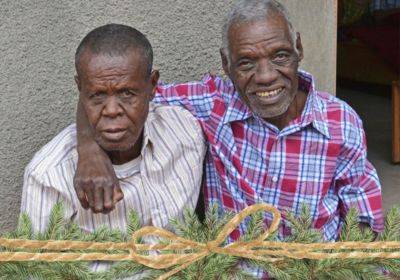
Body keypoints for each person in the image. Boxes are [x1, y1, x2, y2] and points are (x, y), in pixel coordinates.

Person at [75, 0, 383, 247]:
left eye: (280, 56)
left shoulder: (341, 122)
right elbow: (112, 93)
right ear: (226, 64)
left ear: (298, 49)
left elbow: (362, 213)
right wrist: (90, 151)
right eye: (246, 63)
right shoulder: (213, 104)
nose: (265, 76)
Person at [20, 24, 206, 275]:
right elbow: (34, 271)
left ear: (153, 86)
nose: (111, 110)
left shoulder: (185, 133)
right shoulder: (49, 176)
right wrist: (87, 148)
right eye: (97, 96)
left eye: (126, 93)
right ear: (80, 90)